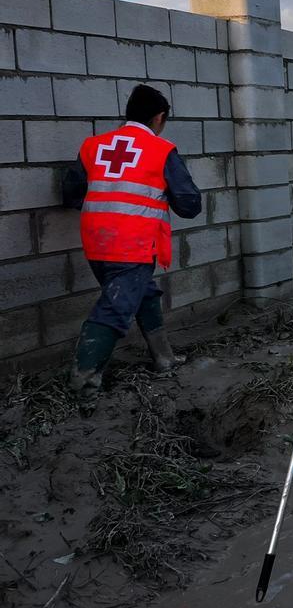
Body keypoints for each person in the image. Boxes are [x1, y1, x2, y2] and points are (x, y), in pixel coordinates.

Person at [62, 83, 201, 407]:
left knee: (143, 294)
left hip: (97, 241)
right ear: (159, 118)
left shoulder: (93, 146)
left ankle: (163, 358)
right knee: (114, 308)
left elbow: (70, 194)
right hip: (134, 244)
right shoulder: (160, 149)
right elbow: (189, 204)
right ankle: (83, 381)